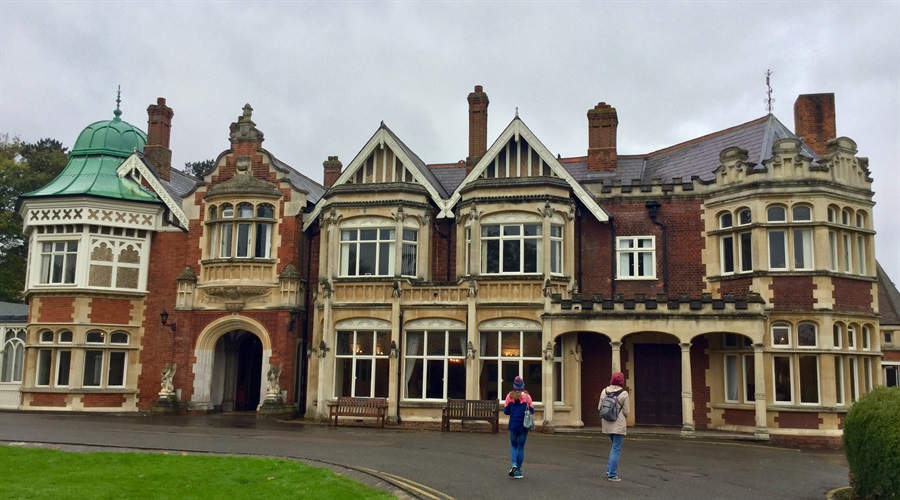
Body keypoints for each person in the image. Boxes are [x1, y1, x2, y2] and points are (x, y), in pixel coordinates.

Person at [598, 372, 629, 482]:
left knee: (614, 447)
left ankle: (609, 469)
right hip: (618, 424)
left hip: (606, 423)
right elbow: (626, 411)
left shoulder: (604, 391)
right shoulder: (624, 393)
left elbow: (599, 407)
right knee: (616, 448)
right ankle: (612, 474)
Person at [503, 375, 534, 479]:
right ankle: (518, 471)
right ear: (522, 385)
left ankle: (514, 465)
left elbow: (506, 411)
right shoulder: (527, 397)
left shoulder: (509, 396)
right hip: (523, 426)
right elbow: (532, 410)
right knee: (521, 447)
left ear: (514, 386)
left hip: (513, 424)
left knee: (513, 446)